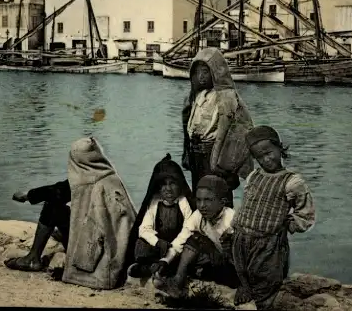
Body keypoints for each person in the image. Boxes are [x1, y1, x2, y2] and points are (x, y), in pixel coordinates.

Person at [7, 137, 137, 290]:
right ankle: (45, 249)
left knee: (53, 207)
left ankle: (32, 258)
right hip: (123, 245)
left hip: (104, 251)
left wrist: (28, 195)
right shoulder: (109, 176)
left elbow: (57, 192)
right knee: (64, 210)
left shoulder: (86, 182)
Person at [231, 125, 316, 310]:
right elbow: (248, 202)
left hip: (268, 242)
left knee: (266, 278)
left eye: (269, 153)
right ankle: (244, 287)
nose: (266, 159)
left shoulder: (292, 181)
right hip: (242, 236)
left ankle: (262, 302)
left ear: (279, 147)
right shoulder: (254, 176)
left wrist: (290, 224)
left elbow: (306, 213)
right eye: (259, 157)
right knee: (241, 268)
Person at [181, 48, 254, 208]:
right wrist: (187, 151)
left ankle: (224, 226)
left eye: (206, 71)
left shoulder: (226, 95)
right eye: (198, 72)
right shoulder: (196, 95)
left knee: (217, 190)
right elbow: (188, 123)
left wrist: (220, 160)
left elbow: (232, 127)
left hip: (213, 151)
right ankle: (202, 224)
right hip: (196, 151)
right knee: (200, 191)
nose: (201, 76)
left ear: (216, 71)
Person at [153, 175, 240, 298]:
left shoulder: (231, 220)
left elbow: (243, 257)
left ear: (222, 202)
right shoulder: (198, 216)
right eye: (198, 200)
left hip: (233, 268)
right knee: (193, 239)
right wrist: (165, 260)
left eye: (208, 200)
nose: (202, 205)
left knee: (198, 239)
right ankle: (178, 282)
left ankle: (178, 282)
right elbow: (181, 240)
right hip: (215, 261)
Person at [127, 154, 196, 280]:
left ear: (180, 185)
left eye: (172, 184)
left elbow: (187, 231)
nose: (168, 189)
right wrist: (157, 242)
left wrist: (170, 250)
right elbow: (144, 229)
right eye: (164, 184)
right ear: (158, 187)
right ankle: (155, 267)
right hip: (159, 247)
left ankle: (160, 267)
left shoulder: (184, 203)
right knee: (140, 245)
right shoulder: (154, 202)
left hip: (177, 247)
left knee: (192, 249)